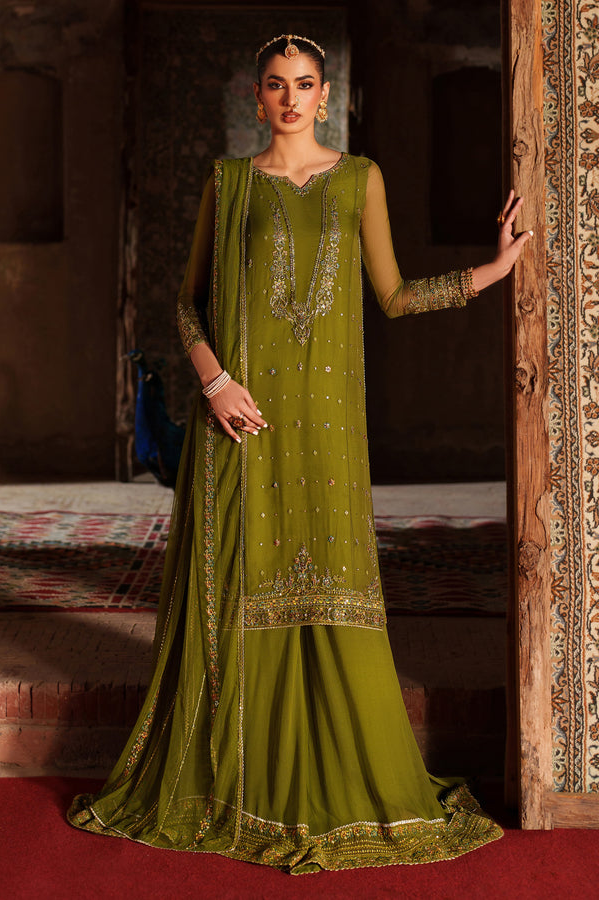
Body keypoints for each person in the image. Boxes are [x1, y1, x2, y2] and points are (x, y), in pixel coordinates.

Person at [68, 34, 531, 874]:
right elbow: (185, 305)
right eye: (276, 85)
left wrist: (487, 273)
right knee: (242, 583)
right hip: (239, 425)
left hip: (325, 430)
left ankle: (332, 767)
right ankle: (232, 782)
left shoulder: (360, 180)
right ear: (256, 96)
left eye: (305, 84)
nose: (290, 98)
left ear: (327, 93)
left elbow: (390, 296)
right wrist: (214, 384)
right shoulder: (229, 182)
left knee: (328, 586)